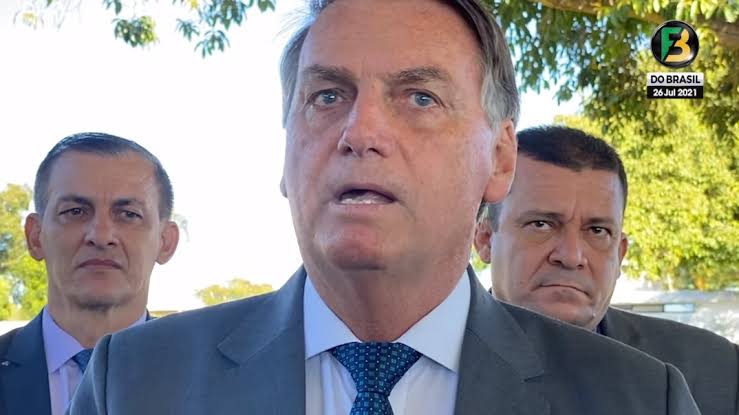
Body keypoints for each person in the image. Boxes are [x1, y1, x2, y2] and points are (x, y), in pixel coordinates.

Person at [70, 1, 700, 413]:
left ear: (500, 159)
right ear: (286, 152)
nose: (360, 131)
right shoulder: (131, 384)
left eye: (420, 97)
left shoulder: (641, 400)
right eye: (327, 96)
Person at [474, 125, 738, 415]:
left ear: (620, 253)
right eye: (541, 224)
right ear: (484, 239)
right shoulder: (440, 362)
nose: (571, 256)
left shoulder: (714, 370)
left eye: (597, 230)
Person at [0, 133, 180, 415]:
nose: (101, 236)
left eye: (128, 214)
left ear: (165, 242)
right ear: (35, 236)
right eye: (75, 211)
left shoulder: (216, 384)